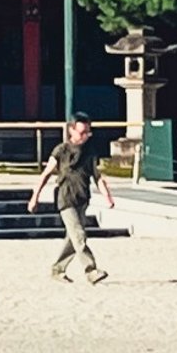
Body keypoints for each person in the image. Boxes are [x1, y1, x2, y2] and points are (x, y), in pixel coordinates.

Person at [28, 113, 115, 283]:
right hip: (66, 199)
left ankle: (57, 269)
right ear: (71, 130)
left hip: (82, 199)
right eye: (81, 132)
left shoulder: (90, 152)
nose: (84, 136)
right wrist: (34, 197)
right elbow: (45, 174)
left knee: (73, 238)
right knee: (79, 235)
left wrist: (107, 197)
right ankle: (91, 270)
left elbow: (97, 177)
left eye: (87, 133)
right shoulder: (61, 151)